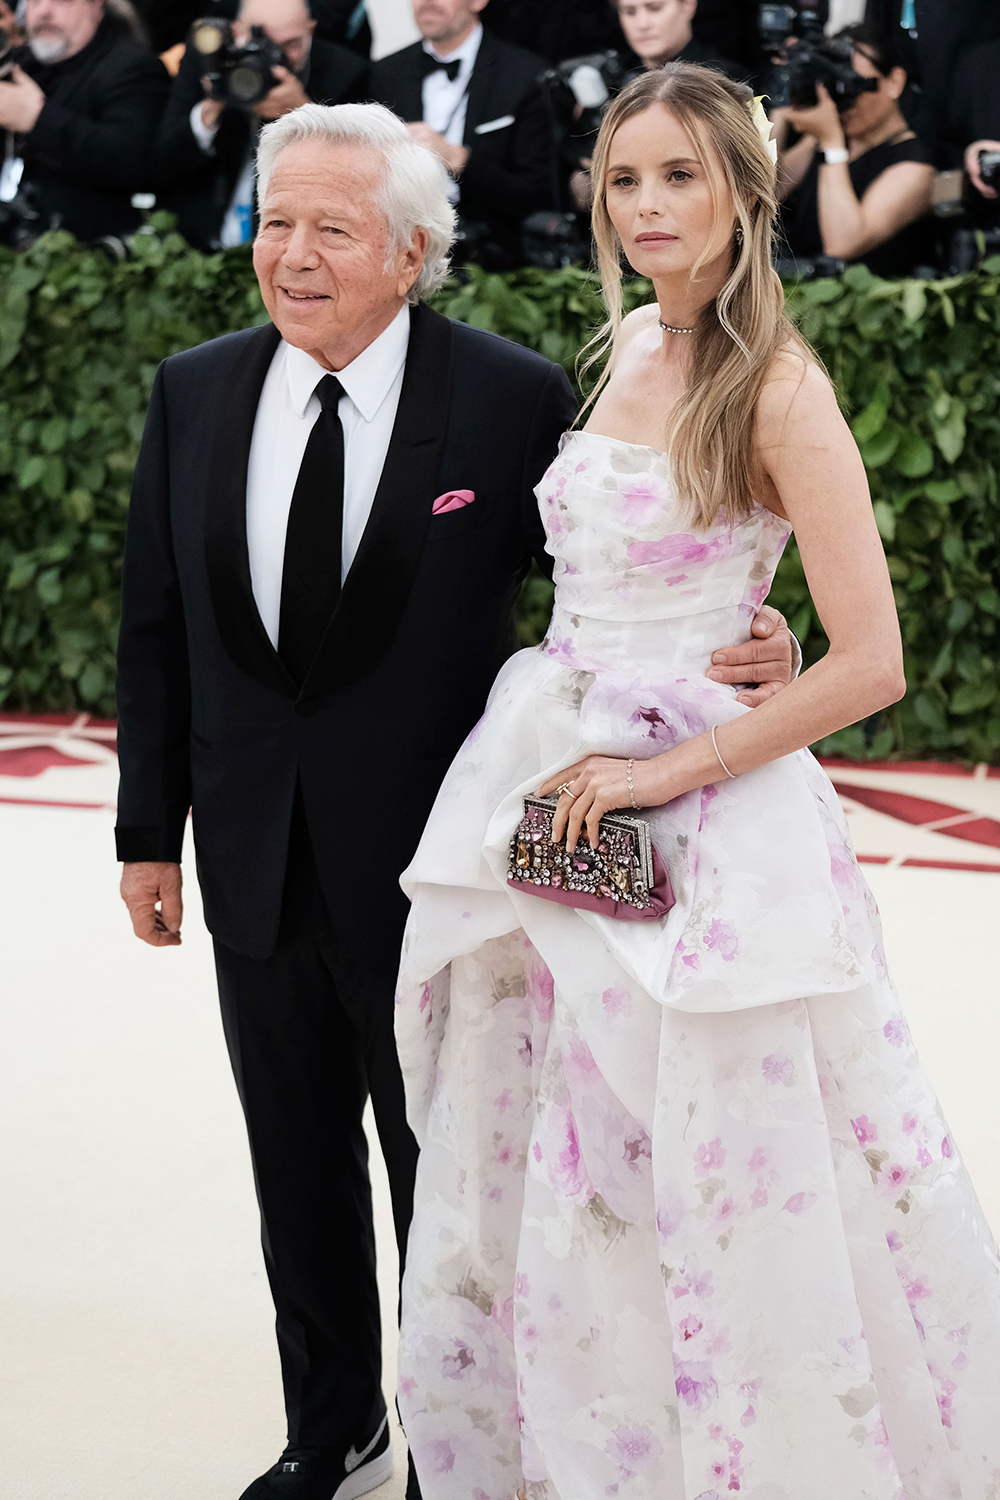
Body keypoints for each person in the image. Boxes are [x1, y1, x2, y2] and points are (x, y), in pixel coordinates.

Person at [115, 96, 797, 1500]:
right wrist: (146, 833)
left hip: (448, 870)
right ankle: (333, 1431)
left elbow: (610, 582)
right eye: (277, 221)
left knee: (455, 1185)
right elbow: (156, 626)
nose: (291, 254)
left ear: (415, 248)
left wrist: (757, 636)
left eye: (332, 228)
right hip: (249, 853)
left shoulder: (509, 394)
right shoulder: (194, 389)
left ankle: (459, 1451)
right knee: (291, 1165)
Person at [394, 61, 1000, 1499]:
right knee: (560, 1156)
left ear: (746, 191)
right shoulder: (622, 351)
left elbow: (871, 662)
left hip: (700, 824)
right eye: (624, 179)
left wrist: (673, 765)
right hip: (557, 782)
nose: (650, 206)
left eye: (681, 176)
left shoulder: (778, 383)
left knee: (706, 1168)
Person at [152, 0, 366, 251]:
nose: (275, 58)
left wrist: (306, 113)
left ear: (311, 30)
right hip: (201, 245)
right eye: (261, 44)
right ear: (236, 32)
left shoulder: (346, 72)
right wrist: (212, 107)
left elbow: (355, 181)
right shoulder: (210, 58)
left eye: (291, 45)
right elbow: (162, 163)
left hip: (293, 248)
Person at [368, 0, 552, 266]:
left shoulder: (526, 75)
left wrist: (460, 160)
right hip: (399, 251)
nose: (427, 3)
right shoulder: (385, 73)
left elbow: (540, 193)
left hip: (494, 261)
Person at [0, 0, 168, 242]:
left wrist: (38, 119)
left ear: (96, 6)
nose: (44, 11)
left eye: (62, 0)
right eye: (34, 1)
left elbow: (130, 162)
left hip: (85, 247)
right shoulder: (18, 64)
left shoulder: (132, 69)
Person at [775, 23, 934, 277]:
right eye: (833, 85)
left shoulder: (916, 165)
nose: (844, 99)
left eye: (853, 85)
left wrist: (831, 144)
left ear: (894, 81)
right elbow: (759, 195)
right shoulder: (820, 141)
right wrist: (783, 110)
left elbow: (842, 245)